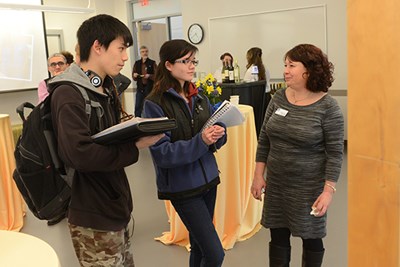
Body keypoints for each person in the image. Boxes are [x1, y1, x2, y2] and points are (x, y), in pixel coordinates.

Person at [47, 14, 163, 266]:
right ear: (97, 47)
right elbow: (80, 154)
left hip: (114, 205)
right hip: (92, 215)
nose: (125, 57)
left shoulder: (104, 88)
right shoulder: (68, 93)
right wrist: (133, 146)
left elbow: (104, 138)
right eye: (120, 49)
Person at [251, 44, 344, 267]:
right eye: (285, 65)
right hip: (278, 185)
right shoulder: (279, 98)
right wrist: (258, 175)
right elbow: (264, 138)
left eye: (292, 65)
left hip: (309, 187)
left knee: (311, 239)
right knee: (278, 237)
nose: (285, 70)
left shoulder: (329, 108)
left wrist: (328, 191)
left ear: (309, 70)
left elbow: (335, 154)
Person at [143, 39, 227, 267]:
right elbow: (163, 153)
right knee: (215, 254)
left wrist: (220, 132)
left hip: (209, 180)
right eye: (186, 61)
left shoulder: (199, 97)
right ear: (169, 65)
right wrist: (201, 140)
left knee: (199, 246)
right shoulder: (155, 103)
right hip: (182, 187)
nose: (192, 66)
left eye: (194, 61)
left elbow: (212, 135)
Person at [132, 45, 157, 117]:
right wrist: (135, 75)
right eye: (142, 52)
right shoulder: (137, 63)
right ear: (140, 53)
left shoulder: (152, 63)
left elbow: (158, 76)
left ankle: (151, 121)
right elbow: (133, 77)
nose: (144, 53)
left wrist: (150, 76)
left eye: (146, 51)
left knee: (150, 106)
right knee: (137, 107)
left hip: (150, 88)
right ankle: (137, 122)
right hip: (140, 88)